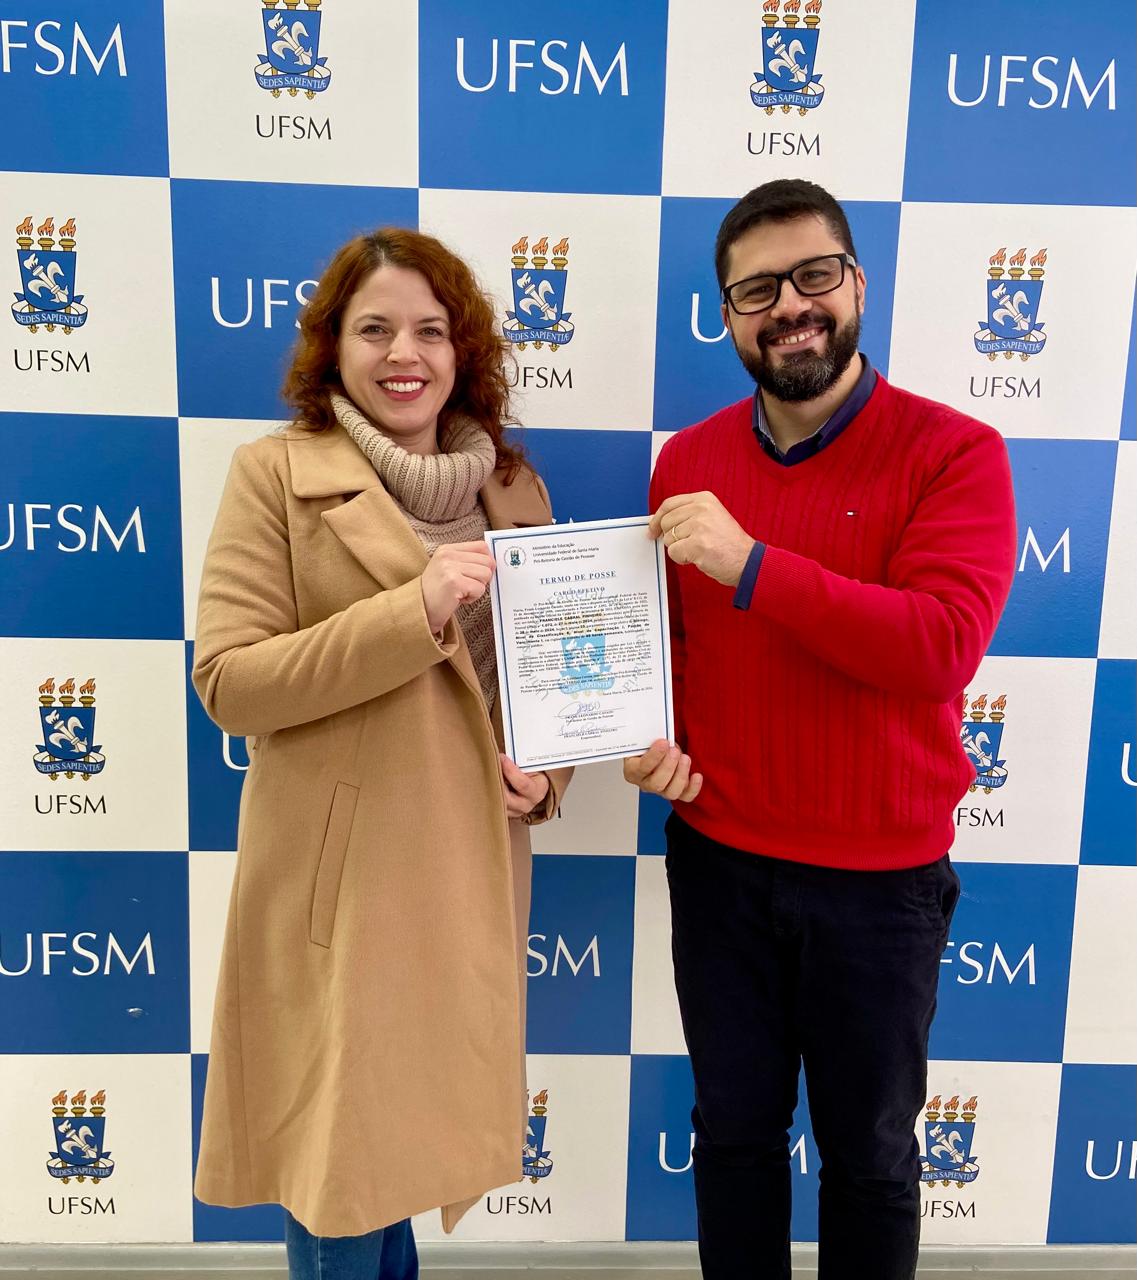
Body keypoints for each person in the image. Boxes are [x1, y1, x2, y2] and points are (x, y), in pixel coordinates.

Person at [624, 180, 1016, 1279]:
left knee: (872, 1159)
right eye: (757, 290)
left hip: (880, 886)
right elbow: (673, 646)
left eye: (813, 276)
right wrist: (649, 734)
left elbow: (937, 645)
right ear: (726, 314)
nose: (789, 307)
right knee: (733, 1137)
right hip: (720, 861)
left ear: (856, 284)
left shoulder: (955, 451)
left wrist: (753, 563)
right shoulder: (686, 462)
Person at [192, 227, 570, 1280]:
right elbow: (230, 681)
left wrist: (548, 776)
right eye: (374, 329)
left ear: (463, 349)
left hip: (467, 878)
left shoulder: (516, 490)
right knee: (342, 1165)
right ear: (333, 347)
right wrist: (413, 610)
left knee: (397, 1155)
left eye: (430, 330)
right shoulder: (275, 472)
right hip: (343, 887)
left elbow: (547, 687)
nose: (404, 353)